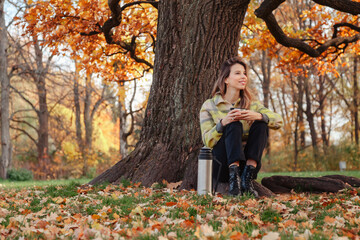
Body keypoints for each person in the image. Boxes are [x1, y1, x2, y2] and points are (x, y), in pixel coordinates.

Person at [199, 56, 283, 197]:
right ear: (226, 79)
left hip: (246, 165)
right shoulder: (209, 105)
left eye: (244, 73)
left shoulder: (252, 104)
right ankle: (234, 180)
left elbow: (278, 121)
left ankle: (247, 179)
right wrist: (222, 123)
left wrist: (258, 116)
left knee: (262, 122)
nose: (243, 76)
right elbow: (207, 140)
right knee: (233, 123)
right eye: (237, 73)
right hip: (222, 166)